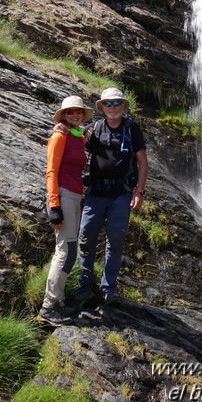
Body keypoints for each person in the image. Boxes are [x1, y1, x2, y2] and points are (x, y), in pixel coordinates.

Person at [72, 87, 148, 308]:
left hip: (121, 195)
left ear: (123, 106)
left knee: (115, 241)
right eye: (108, 104)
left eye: (117, 104)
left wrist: (139, 192)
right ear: (102, 107)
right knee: (86, 238)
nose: (113, 108)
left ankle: (108, 289)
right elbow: (73, 139)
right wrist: (62, 128)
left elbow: (143, 162)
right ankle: (84, 286)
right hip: (95, 193)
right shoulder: (93, 129)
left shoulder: (132, 129)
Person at [37, 95, 93, 326]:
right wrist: (55, 207)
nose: (75, 115)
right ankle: (48, 307)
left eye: (78, 112)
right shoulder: (59, 135)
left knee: (68, 249)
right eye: (70, 112)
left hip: (75, 195)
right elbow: (51, 171)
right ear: (63, 115)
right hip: (63, 195)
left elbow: (80, 151)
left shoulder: (76, 136)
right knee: (66, 250)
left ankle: (56, 301)